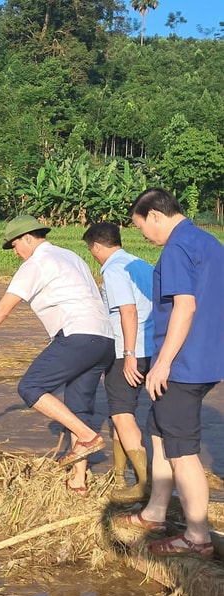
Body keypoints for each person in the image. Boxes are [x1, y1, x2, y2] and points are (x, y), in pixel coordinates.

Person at [0, 214, 114, 496]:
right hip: (104, 339)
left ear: (28, 238)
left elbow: (3, 308)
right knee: (78, 407)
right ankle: (78, 482)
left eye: (15, 246)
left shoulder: (36, 263)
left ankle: (88, 437)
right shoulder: (71, 256)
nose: (16, 253)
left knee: (31, 386)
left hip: (77, 334)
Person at [114, 188, 224, 559]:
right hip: (208, 358)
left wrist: (162, 363)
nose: (144, 236)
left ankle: (197, 536)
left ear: (156, 216)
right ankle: (155, 513)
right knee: (158, 431)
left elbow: (185, 307)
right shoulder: (209, 242)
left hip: (182, 363)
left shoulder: (176, 247)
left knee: (182, 450)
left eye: (141, 227)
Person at [82, 222, 154, 502]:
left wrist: (128, 355)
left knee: (123, 414)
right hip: (153, 348)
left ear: (97, 246)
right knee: (118, 410)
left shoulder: (113, 270)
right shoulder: (142, 264)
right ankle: (117, 473)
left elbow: (128, 312)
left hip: (129, 350)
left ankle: (144, 485)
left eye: (92, 251)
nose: (93, 256)